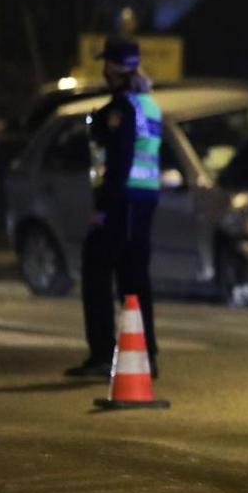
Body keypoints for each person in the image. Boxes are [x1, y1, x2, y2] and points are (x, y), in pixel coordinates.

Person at [64, 37, 163, 379]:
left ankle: (103, 354)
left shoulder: (123, 108)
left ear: (113, 67)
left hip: (123, 201)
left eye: (106, 63)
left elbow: (119, 163)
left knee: (96, 269)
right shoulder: (150, 104)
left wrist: (102, 208)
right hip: (145, 199)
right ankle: (145, 354)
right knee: (134, 278)